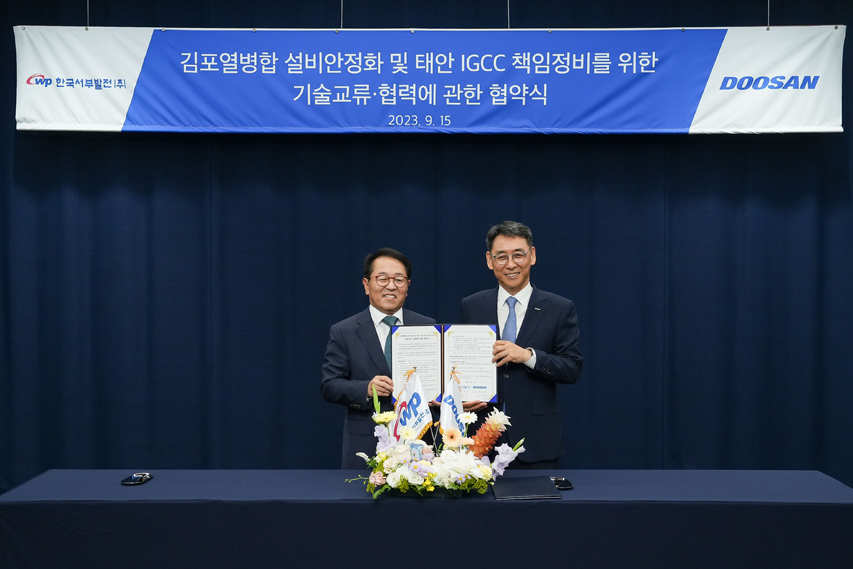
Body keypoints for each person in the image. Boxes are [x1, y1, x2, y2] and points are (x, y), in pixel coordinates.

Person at [460, 221, 583, 469]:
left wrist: (527, 356)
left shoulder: (559, 308)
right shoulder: (471, 306)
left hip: (536, 441)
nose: (511, 264)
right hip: (480, 441)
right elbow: (461, 364)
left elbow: (572, 368)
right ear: (489, 260)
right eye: (501, 257)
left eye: (518, 255)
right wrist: (459, 395)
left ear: (532, 255)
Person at [321, 248, 436, 469]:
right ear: (366, 285)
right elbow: (329, 386)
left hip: (419, 445)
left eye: (399, 280)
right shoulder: (344, 330)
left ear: (407, 286)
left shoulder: (428, 326)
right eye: (382, 279)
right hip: (366, 445)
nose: (391, 286)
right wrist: (366, 388)